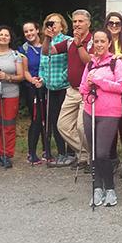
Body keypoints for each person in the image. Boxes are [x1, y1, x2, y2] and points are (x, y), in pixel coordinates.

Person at [79, 29, 122, 207]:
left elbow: (120, 87)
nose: (99, 45)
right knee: (93, 153)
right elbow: (82, 87)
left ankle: (110, 188)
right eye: (96, 41)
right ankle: (98, 187)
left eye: (102, 41)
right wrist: (87, 88)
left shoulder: (116, 63)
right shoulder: (90, 64)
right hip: (90, 111)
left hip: (109, 113)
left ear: (108, 43)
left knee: (102, 153)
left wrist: (99, 81)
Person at [54, 10, 94, 169]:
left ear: (88, 23)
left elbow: (89, 63)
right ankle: (85, 154)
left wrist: (79, 44)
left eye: (80, 21)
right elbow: (48, 51)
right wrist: (48, 38)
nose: (77, 24)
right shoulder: (69, 41)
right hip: (71, 90)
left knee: (81, 126)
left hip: (87, 90)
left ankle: (92, 158)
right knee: (62, 125)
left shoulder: (94, 41)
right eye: (75, 21)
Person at [0, 26, 25, 169]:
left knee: (8, 124)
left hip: (10, 93)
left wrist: (8, 77)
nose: (3, 37)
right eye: (0, 34)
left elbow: (20, 76)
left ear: (10, 38)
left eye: (6, 35)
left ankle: (7, 154)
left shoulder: (15, 55)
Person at [40, 13, 72, 166]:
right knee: (54, 121)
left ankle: (71, 152)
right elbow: (43, 61)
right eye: (49, 22)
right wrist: (42, 78)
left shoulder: (67, 40)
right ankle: (61, 152)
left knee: (67, 120)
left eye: (55, 22)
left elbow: (70, 63)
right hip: (50, 87)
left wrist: (63, 77)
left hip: (64, 86)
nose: (52, 25)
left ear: (62, 25)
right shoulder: (45, 42)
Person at [105, 12, 122, 175]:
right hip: (107, 90)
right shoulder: (102, 41)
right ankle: (112, 158)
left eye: (118, 24)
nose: (114, 26)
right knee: (110, 126)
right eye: (111, 23)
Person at [19, 21, 46, 165]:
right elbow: (25, 71)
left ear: (37, 30)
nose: (29, 34)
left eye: (31, 30)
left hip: (47, 85)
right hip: (32, 87)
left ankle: (46, 150)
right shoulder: (24, 49)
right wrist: (33, 81)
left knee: (47, 119)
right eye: (26, 31)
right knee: (36, 118)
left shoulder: (47, 44)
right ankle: (32, 153)